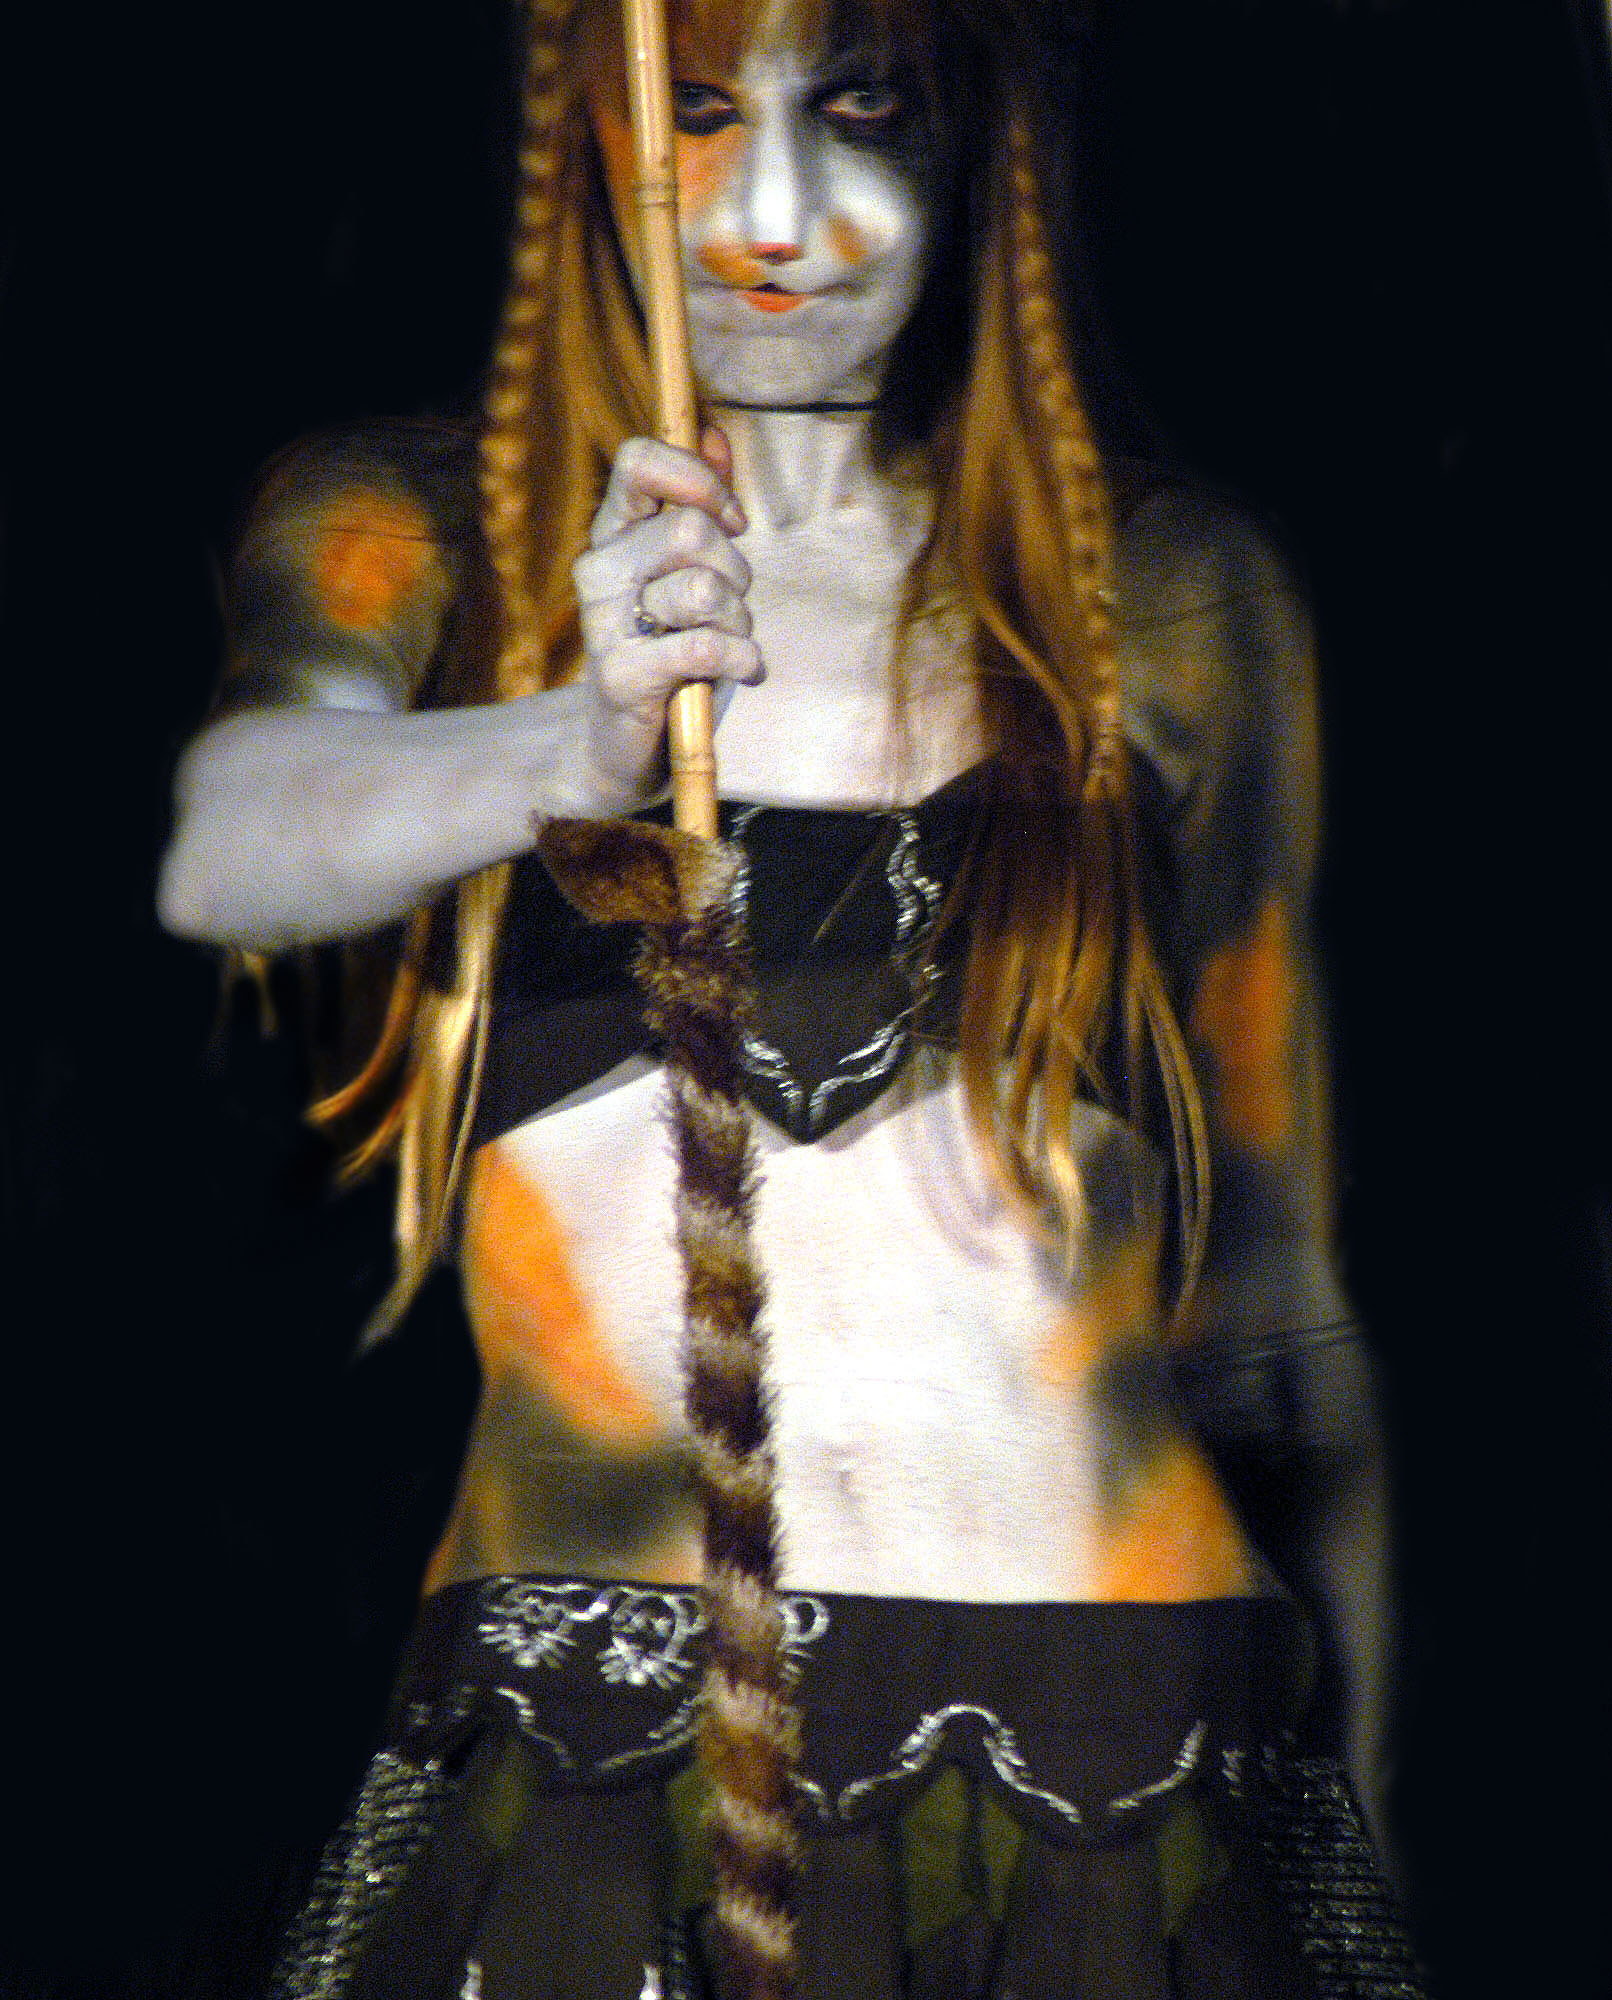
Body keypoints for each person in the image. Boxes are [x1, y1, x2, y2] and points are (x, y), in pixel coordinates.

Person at [159, 0, 1421, 1992]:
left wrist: (1364, 1846)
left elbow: (1275, 1311)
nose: (771, 212)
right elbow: (229, 838)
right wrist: (567, 741)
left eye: (858, 110)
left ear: (970, 141)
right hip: (591, 1748)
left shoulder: (1168, 596)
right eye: (696, 115)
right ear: (594, 135)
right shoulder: (420, 527)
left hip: (1131, 1748)